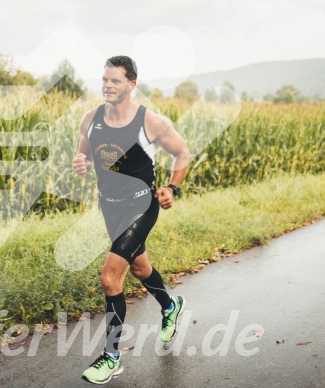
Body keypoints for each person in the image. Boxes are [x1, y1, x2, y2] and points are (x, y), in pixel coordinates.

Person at [72, 56, 190, 384]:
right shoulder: (90, 119)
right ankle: (170, 305)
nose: (108, 86)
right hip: (109, 206)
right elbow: (85, 152)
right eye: (105, 80)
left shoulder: (150, 122)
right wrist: (80, 161)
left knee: (110, 279)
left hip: (141, 206)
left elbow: (182, 153)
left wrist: (173, 188)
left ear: (131, 84)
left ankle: (112, 356)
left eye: (115, 81)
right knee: (139, 268)